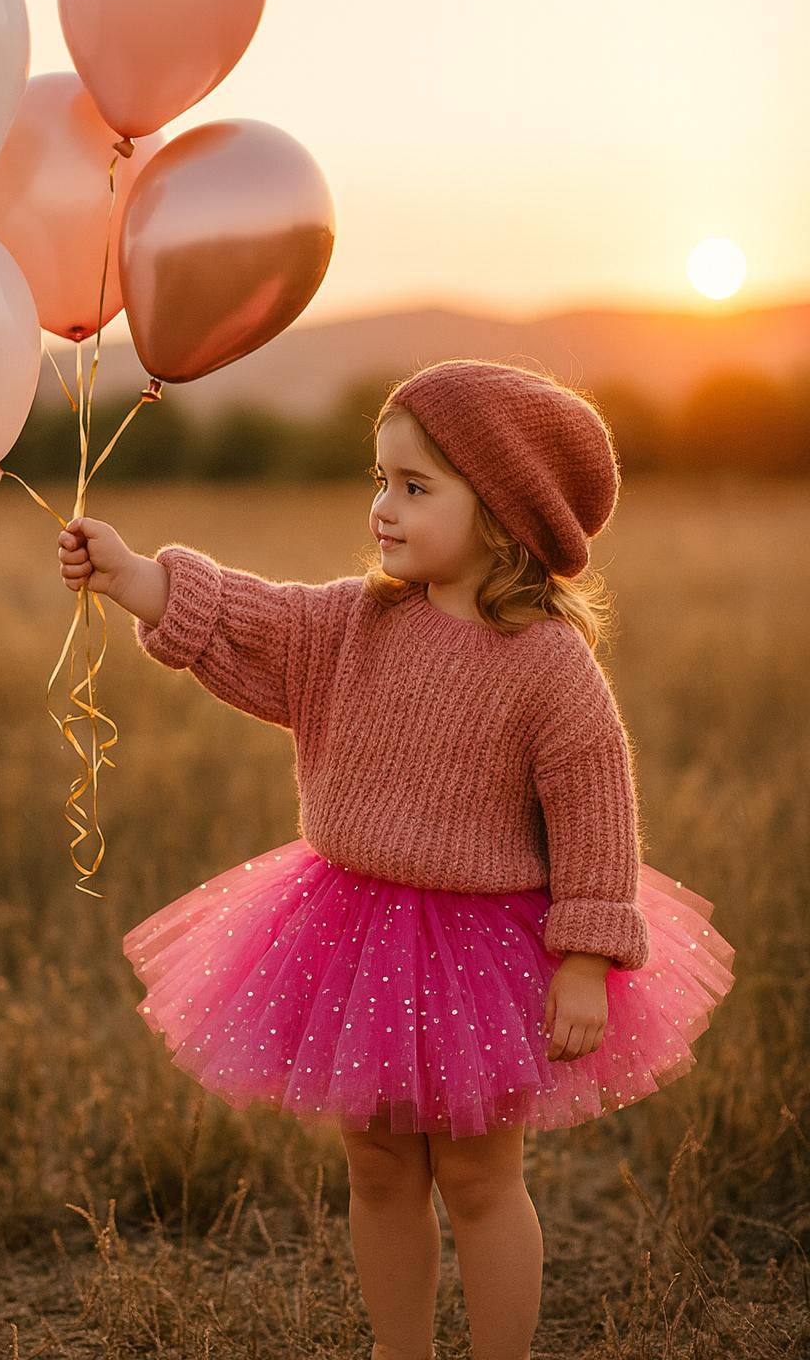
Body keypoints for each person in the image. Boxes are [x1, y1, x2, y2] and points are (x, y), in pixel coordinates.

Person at [56, 358, 736, 1360]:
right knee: (375, 1169)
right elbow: (256, 619)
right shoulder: (355, 619)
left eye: (414, 487)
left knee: (476, 1179)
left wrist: (587, 957)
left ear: (504, 513)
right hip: (351, 931)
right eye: (379, 480)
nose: (382, 507)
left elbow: (598, 813)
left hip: (482, 952)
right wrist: (132, 578)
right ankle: (398, 1350)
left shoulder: (546, 661)